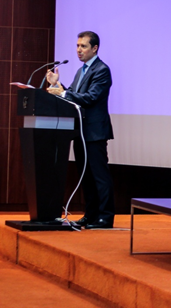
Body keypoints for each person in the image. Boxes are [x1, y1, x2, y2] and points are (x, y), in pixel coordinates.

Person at [46, 31, 115, 229]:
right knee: (86, 177)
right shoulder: (81, 71)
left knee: (99, 176)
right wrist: (56, 84)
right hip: (81, 132)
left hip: (94, 132)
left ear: (95, 48)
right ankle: (90, 215)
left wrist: (63, 92)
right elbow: (73, 95)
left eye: (83, 46)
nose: (78, 50)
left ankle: (105, 217)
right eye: (77, 46)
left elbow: (91, 98)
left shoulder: (102, 70)